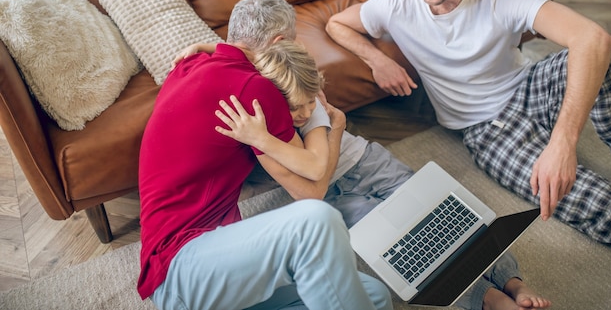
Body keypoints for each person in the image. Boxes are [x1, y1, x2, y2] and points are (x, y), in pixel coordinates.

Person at [325, 0, 611, 256]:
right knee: (596, 203)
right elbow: (337, 24)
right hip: (487, 130)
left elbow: (594, 39)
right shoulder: (398, 2)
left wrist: (563, 142)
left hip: (528, 87)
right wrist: (377, 60)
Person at [213, 39, 551, 310]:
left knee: (446, 213)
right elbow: (312, 187)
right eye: (294, 108)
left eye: (309, 103)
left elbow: (240, 48)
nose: (304, 114)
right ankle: (486, 299)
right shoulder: (264, 124)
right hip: (331, 196)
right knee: (403, 248)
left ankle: (511, 280)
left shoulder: (303, 90)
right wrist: (334, 128)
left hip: (366, 161)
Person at [138, 0, 393, 310]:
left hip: (215, 265)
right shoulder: (255, 89)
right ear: (279, 43)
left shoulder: (190, 62)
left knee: (373, 296)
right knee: (315, 222)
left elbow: (231, 56)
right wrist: (330, 125)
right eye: (292, 43)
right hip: (183, 269)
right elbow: (311, 190)